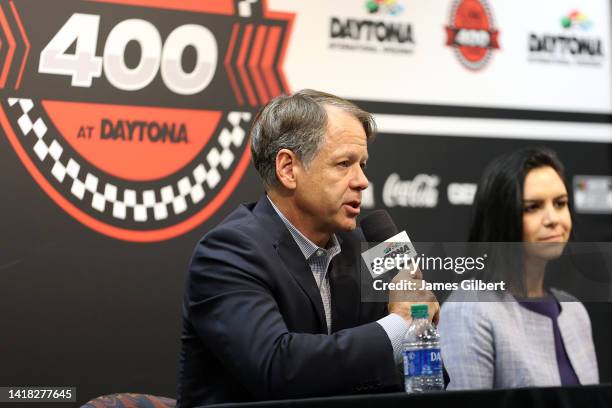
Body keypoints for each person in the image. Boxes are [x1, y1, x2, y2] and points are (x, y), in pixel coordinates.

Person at [177, 89, 439, 407]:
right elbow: (278, 368)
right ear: (288, 169)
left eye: (363, 165)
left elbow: (426, 382)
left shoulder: (367, 247)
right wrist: (400, 323)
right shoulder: (227, 253)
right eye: (344, 164)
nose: (362, 181)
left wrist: (419, 331)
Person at [438, 147, 599, 389]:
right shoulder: (468, 311)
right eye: (532, 207)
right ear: (501, 216)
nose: (553, 218)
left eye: (560, 203)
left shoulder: (574, 312)